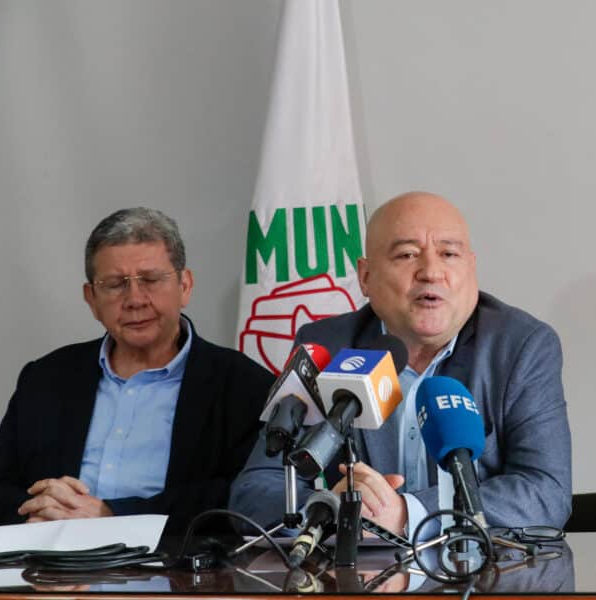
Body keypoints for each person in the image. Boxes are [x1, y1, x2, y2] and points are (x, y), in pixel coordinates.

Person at [230, 191, 571, 535]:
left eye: (449, 254)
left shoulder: (520, 348)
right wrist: (329, 510)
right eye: (407, 255)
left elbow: (546, 492)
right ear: (365, 277)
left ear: (471, 268)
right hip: (356, 581)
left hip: (481, 579)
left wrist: (408, 513)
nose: (431, 272)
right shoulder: (327, 348)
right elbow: (256, 489)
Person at [0, 208, 273, 533]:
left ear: (185, 285)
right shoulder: (46, 378)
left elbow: (240, 499)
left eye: (151, 280)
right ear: (92, 299)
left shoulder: (243, 385)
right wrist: (42, 513)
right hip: (50, 567)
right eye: (114, 285)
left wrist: (112, 516)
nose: (135, 299)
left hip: (174, 572)